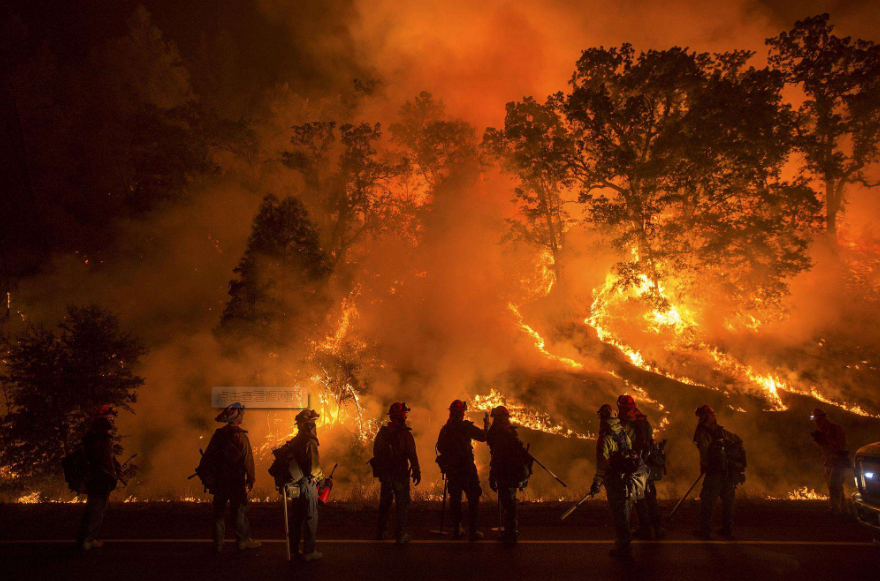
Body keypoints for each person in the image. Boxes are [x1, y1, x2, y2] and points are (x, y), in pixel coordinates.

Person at [206, 402, 260, 552]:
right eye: (241, 414)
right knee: (239, 511)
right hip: (235, 480)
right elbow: (248, 460)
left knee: (219, 512)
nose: (243, 415)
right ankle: (242, 541)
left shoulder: (218, 435)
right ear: (237, 417)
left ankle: (218, 544)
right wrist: (251, 478)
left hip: (220, 480)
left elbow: (208, 456)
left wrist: (209, 477)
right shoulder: (240, 436)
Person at [436, 399, 488, 541]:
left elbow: (440, 447)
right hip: (466, 469)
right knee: (473, 497)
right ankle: (473, 529)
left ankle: (457, 529)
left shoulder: (445, 429)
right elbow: (483, 437)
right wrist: (487, 424)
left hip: (453, 470)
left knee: (455, 499)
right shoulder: (465, 426)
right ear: (461, 413)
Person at [692, 405, 746, 539]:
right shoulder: (721, 432)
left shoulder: (703, 432)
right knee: (728, 500)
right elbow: (738, 440)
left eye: (700, 416)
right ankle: (728, 528)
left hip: (715, 471)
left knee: (707, 500)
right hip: (728, 471)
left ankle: (705, 531)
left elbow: (704, 451)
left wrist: (705, 465)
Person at [590, 404, 635, 560]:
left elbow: (602, 465)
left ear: (603, 418)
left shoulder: (604, 439)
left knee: (619, 514)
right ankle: (625, 544)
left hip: (615, 481)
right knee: (626, 513)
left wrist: (596, 483)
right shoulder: (622, 433)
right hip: (628, 480)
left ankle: (623, 547)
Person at [617, 395, 665, 540]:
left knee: (639, 499)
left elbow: (624, 443)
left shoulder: (626, 422)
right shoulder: (644, 421)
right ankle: (658, 529)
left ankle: (646, 529)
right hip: (648, 464)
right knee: (651, 498)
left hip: (636, 465)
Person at [373, 402, 421, 544]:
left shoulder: (382, 433)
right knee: (401, 504)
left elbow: (376, 452)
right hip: (400, 474)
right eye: (404, 413)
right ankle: (400, 535)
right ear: (401, 416)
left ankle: (381, 532)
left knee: (385, 503)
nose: (406, 416)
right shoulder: (405, 434)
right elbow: (412, 454)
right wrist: (417, 471)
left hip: (386, 474)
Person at [76, 406, 122, 551]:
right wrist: (113, 476)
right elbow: (106, 462)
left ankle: (85, 537)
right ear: (103, 422)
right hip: (100, 479)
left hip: (94, 478)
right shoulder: (102, 439)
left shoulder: (92, 438)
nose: (113, 423)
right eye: (110, 419)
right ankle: (88, 540)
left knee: (92, 507)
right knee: (97, 509)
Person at [486, 405, 532, 545]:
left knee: (508, 503)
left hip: (506, 473)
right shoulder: (511, 432)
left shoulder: (500, 435)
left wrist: (492, 476)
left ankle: (510, 534)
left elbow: (497, 458)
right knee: (510, 502)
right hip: (513, 472)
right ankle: (511, 531)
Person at [288, 408, 324, 561]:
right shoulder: (310, 441)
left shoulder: (295, 440)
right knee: (310, 516)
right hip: (306, 484)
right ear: (309, 425)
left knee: (296, 517)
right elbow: (314, 468)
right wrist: (322, 479)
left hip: (294, 484)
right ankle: (309, 551)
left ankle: (294, 550)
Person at [810, 408, 850, 517]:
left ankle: (835, 510)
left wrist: (827, 440)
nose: (817, 422)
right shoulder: (822, 432)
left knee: (833, 485)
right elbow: (825, 448)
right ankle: (845, 510)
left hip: (839, 462)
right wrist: (821, 442)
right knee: (836, 487)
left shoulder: (835, 429)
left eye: (818, 419)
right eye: (815, 420)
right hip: (829, 462)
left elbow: (842, 445)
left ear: (824, 418)